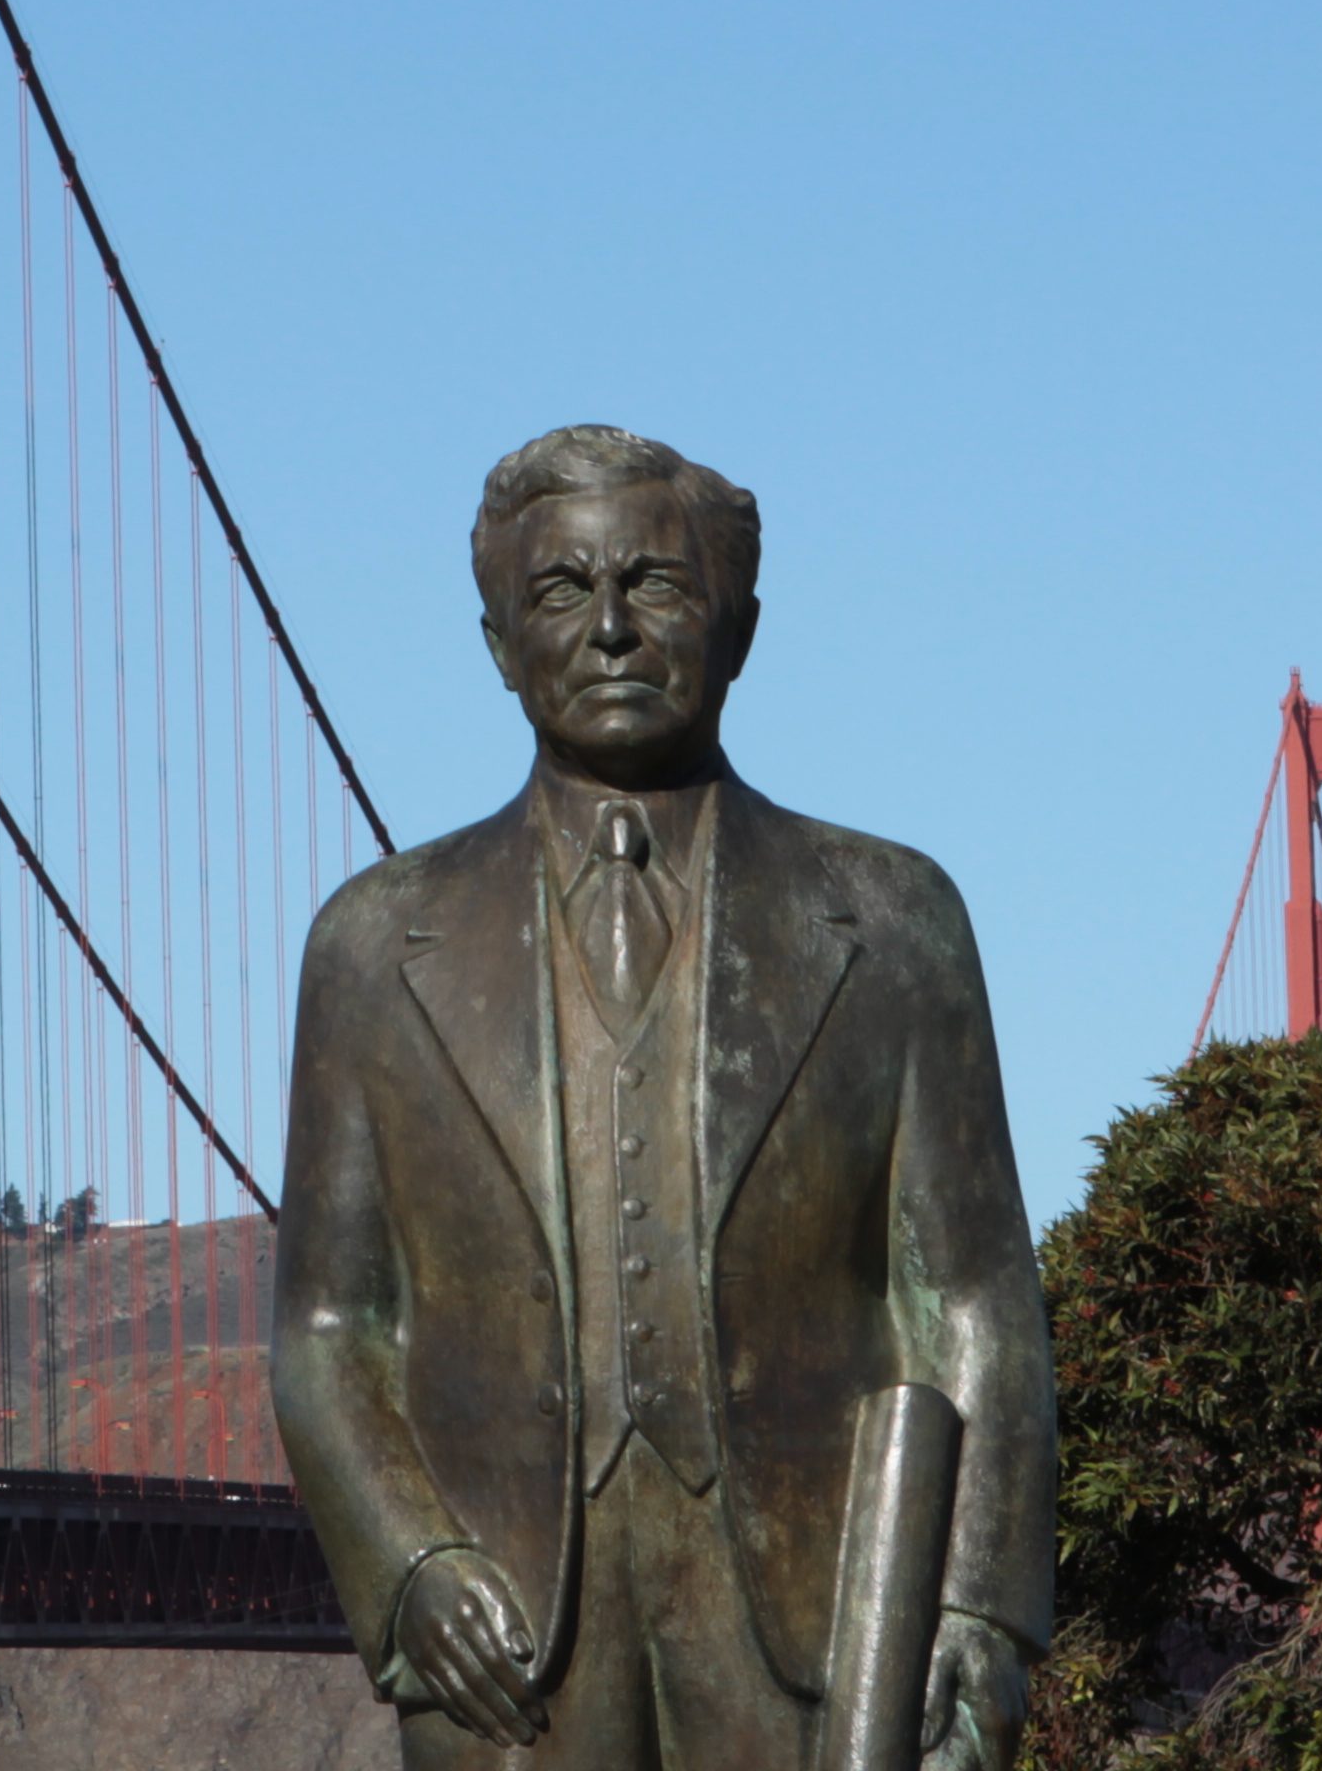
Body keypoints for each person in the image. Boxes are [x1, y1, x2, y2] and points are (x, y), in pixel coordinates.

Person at [273, 426, 1052, 1768]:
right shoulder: (370, 946)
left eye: (656, 584)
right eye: (561, 591)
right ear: (498, 644)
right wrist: (410, 1567)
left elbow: (975, 1296)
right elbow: (330, 1326)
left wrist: (977, 1611)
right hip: (500, 1649)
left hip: (829, 1632)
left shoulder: (894, 922)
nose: (612, 629)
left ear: (738, 627)